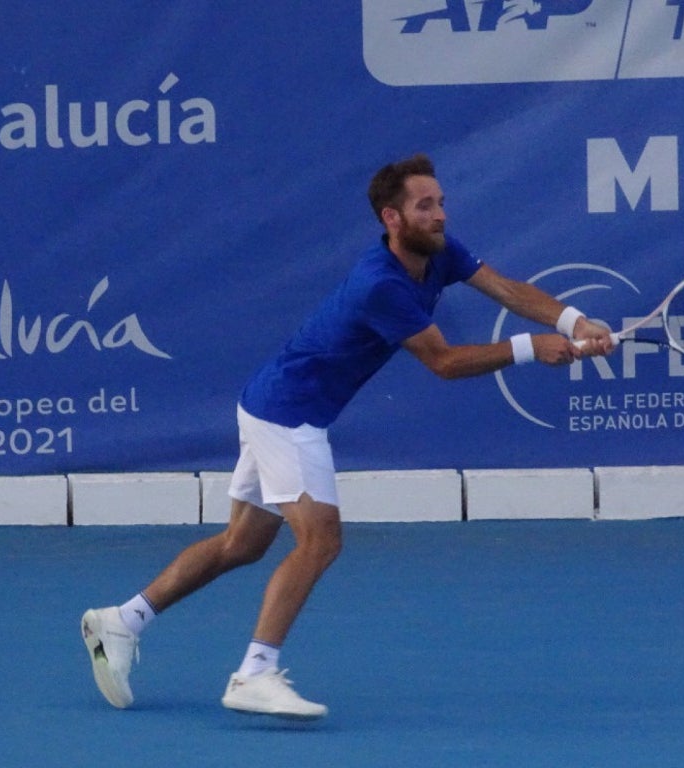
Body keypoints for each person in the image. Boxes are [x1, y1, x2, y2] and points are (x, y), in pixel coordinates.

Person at [80, 153, 614, 719]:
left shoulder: (438, 251)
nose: (439, 214)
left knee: (243, 544)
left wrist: (571, 322)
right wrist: (531, 348)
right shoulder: (379, 283)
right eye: (425, 205)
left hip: (272, 402)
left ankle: (122, 620)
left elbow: (505, 288)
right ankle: (253, 674)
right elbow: (443, 362)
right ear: (392, 217)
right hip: (288, 414)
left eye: (441, 202)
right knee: (320, 540)